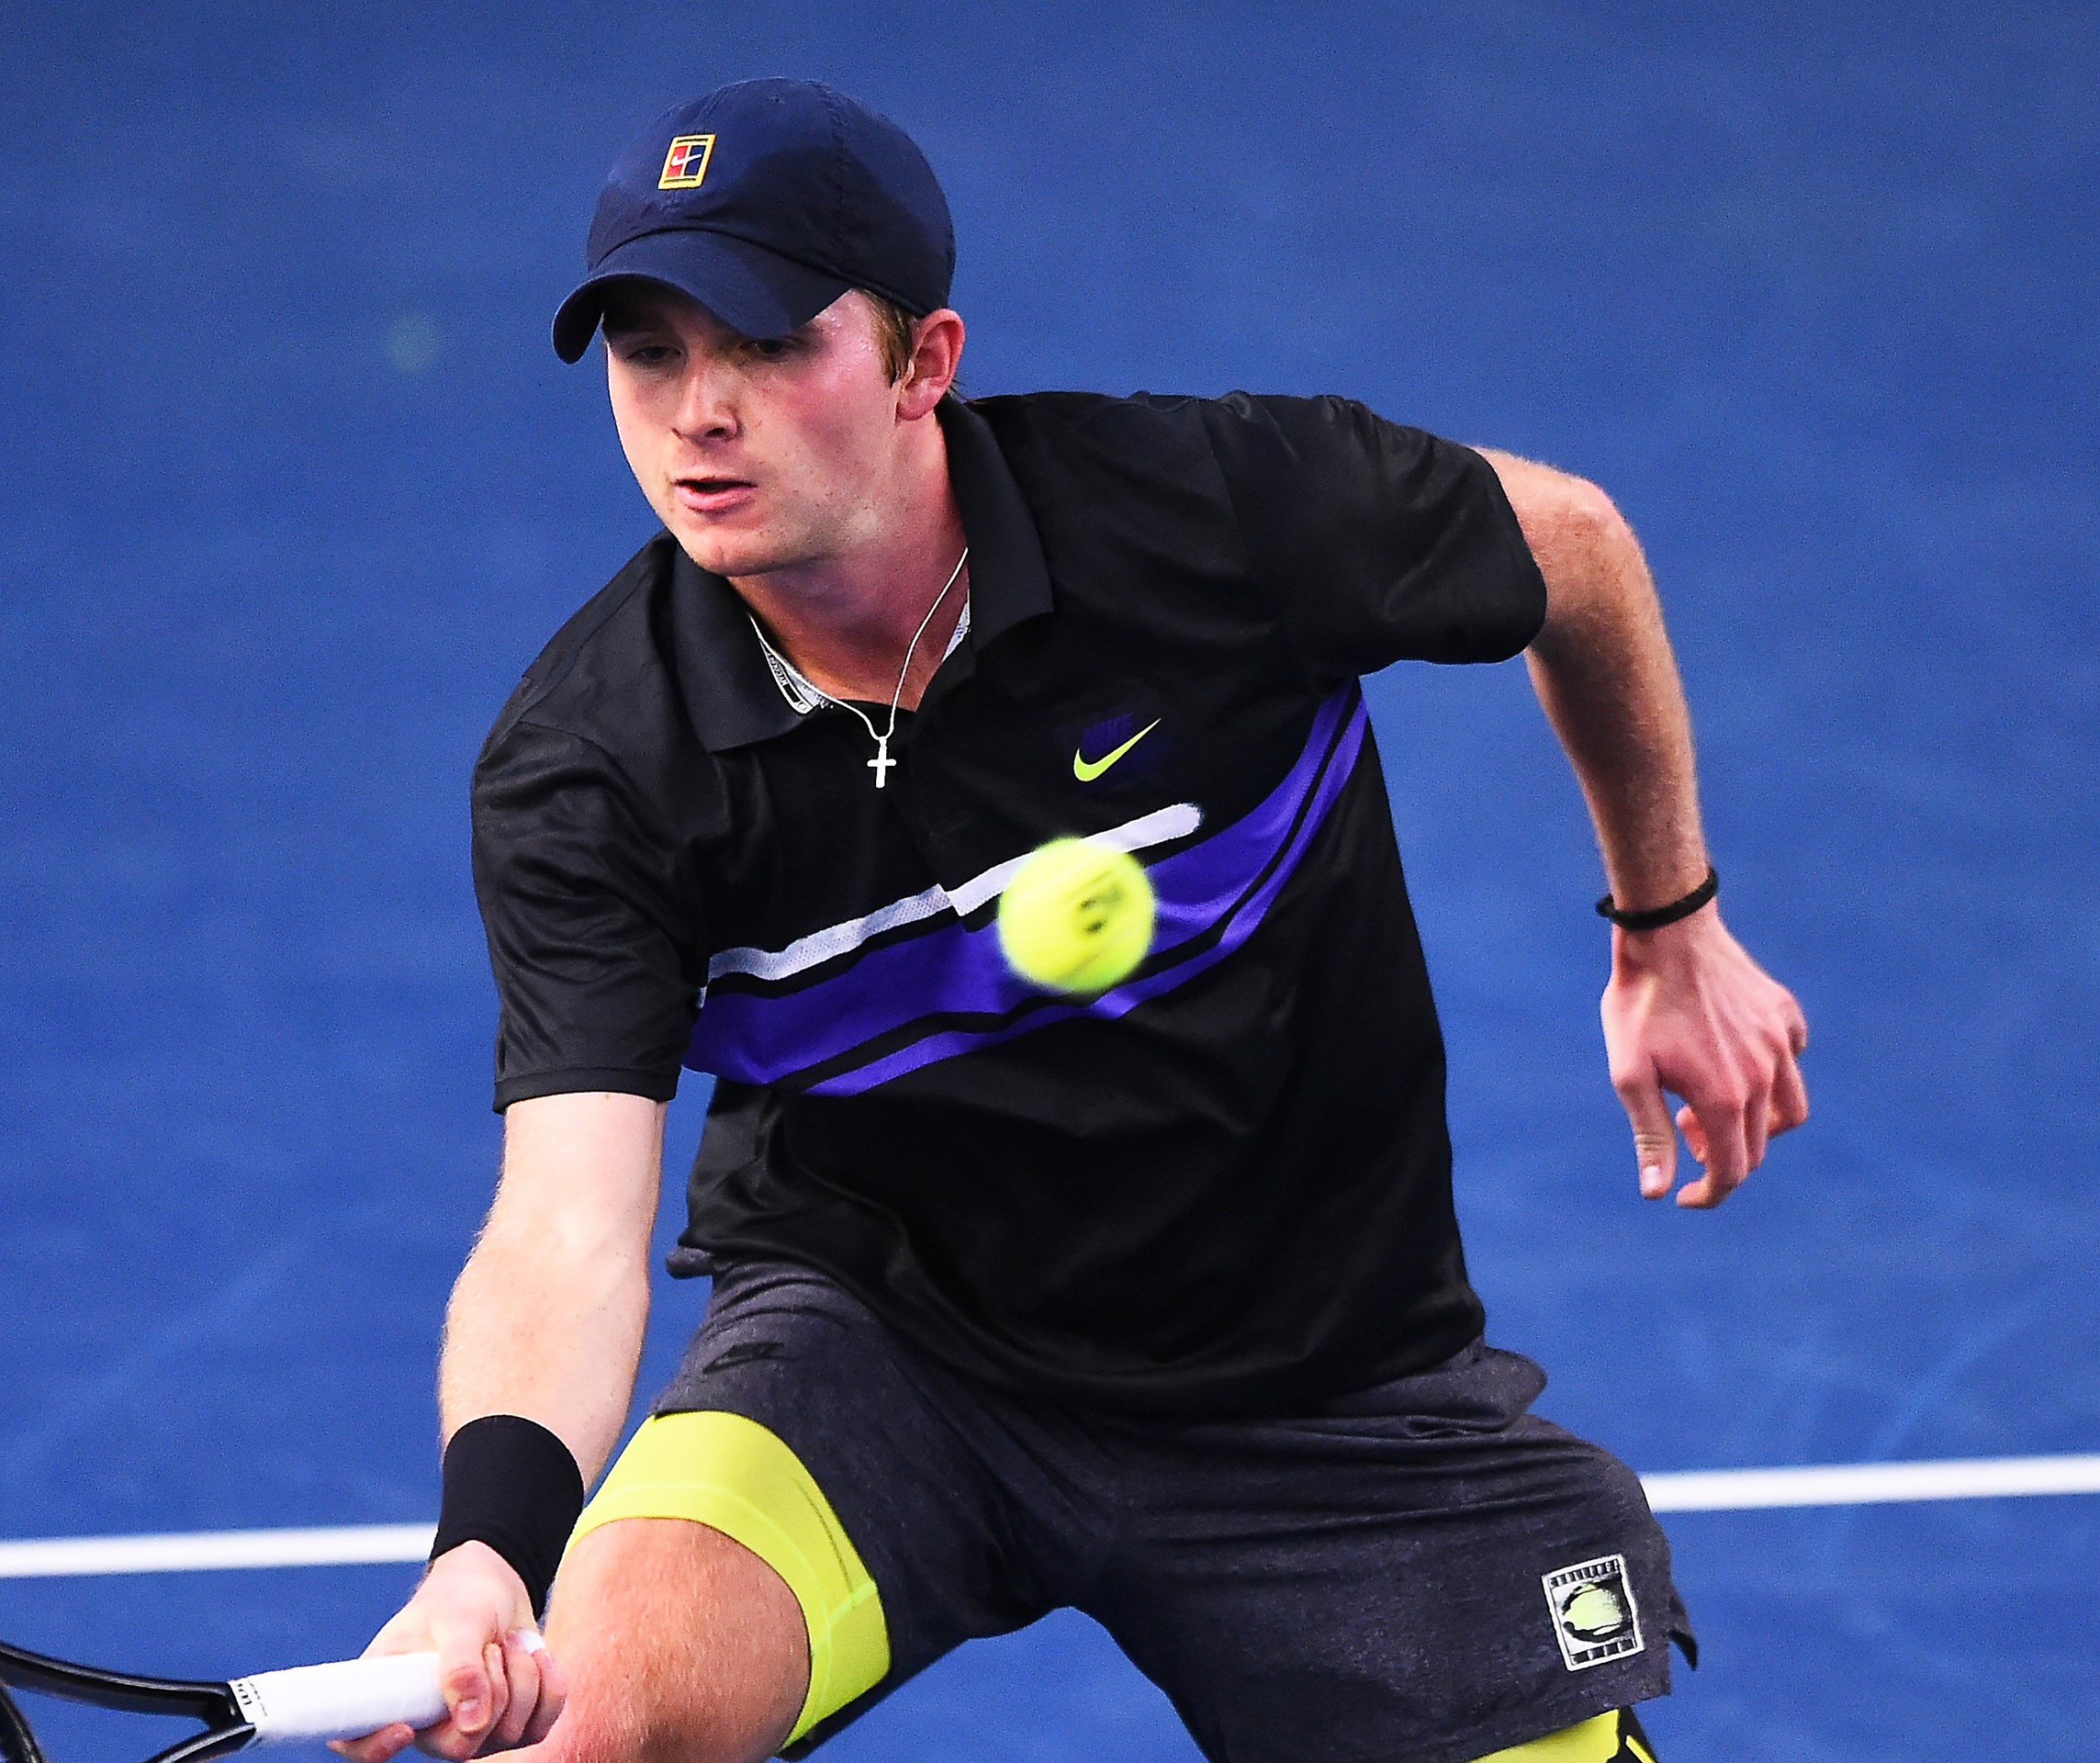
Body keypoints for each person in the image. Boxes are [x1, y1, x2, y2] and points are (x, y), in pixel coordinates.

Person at [340, 77, 1810, 1763]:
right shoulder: (595, 766)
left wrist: (1668, 924)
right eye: (650, 352)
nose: (698, 415)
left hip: (1316, 1379)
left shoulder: (1224, 519)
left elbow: (1579, 554)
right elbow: (565, 1225)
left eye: (765, 345)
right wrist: (486, 1555)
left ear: (922, 362)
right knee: (587, 1732)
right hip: (887, 1350)